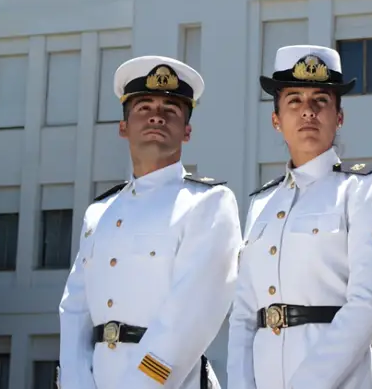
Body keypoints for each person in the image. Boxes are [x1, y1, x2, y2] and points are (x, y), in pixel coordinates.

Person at [58, 55, 242, 389]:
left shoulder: (208, 203)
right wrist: (75, 382)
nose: (157, 116)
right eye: (144, 108)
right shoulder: (99, 212)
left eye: (170, 110)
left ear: (187, 132)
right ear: (123, 127)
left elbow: (190, 317)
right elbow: (75, 310)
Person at [226, 44, 372, 389]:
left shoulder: (362, 189)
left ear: (339, 117)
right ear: (276, 120)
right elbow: (243, 315)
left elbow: (369, 304)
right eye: (294, 101)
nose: (308, 111)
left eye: (321, 100)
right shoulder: (261, 203)